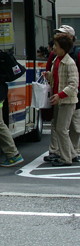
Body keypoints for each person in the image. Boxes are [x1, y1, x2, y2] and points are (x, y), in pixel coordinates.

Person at [43, 25, 80, 164]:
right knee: (60, 128)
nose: (53, 48)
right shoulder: (56, 59)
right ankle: (71, 154)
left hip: (67, 100)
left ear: (63, 48)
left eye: (56, 46)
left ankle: (66, 158)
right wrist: (48, 75)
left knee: (62, 129)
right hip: (59, 99)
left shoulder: (69, 62)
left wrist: (60, 95)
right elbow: (57, 78)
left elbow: (73, 84)